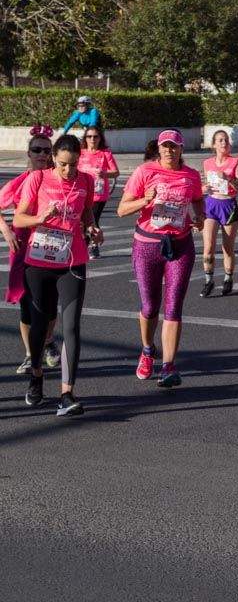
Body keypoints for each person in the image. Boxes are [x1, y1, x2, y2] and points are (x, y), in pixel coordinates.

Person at [12, 134, 101, 415]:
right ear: (53, 159)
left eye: (73, 164)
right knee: (40, 325)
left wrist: (93, 229)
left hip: (71, 260)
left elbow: (87, 215)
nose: (68, 171)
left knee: (72, 326)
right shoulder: (38, 179)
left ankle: (67, 394)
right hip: (39, 262)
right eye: (63, 164)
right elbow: (19, 218)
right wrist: (40, 218)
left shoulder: (85, 181)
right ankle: (36, 375)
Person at [117, 129, 204, 388]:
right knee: (149, 306)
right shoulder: (145, 172)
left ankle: (168, 366)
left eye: (173, 146)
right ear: (158, 149)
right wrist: (146, 199)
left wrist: (198, 217)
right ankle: (146, 350)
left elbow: (198, 200)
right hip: (148, 245)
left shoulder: (191, 175)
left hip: (180, 244)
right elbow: (122, 209)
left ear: (181, 149)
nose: (169, 150)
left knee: (174, 306)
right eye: (164, 146)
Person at [0, 126, 60, 375]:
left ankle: (46, 340)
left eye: (46, 150)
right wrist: (6, 231)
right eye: (37, 149)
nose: (42, 154)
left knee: (51, 300)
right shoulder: (20, 182)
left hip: (52, 245)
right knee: (26, 302)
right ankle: (29, 354)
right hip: (24, 246)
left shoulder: (58, 178)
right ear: (28, 152)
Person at [200, 130, 238, 297]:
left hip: (228, 205)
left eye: (226, 140)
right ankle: (208, 280)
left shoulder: (235, 162)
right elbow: (205, 185)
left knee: (227, 248)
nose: (223, 143)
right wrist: (203, 189)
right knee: (208, 248)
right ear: (214, 144)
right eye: (220, 140)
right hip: (211, 204)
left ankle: (228, 278)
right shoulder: (207, 163)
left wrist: (229, 178)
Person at [77, 126, 119, 259]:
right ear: (85, 138)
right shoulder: (80, 153)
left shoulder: (105, 153)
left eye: (95, 136)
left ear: (100, 138)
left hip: (98, 194)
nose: (92, 139)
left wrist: (104, 173)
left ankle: (92, 247)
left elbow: (116, 172)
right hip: (81, 192)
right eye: (89, 136)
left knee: (93, 219)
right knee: (81, 220)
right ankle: (83, 245)